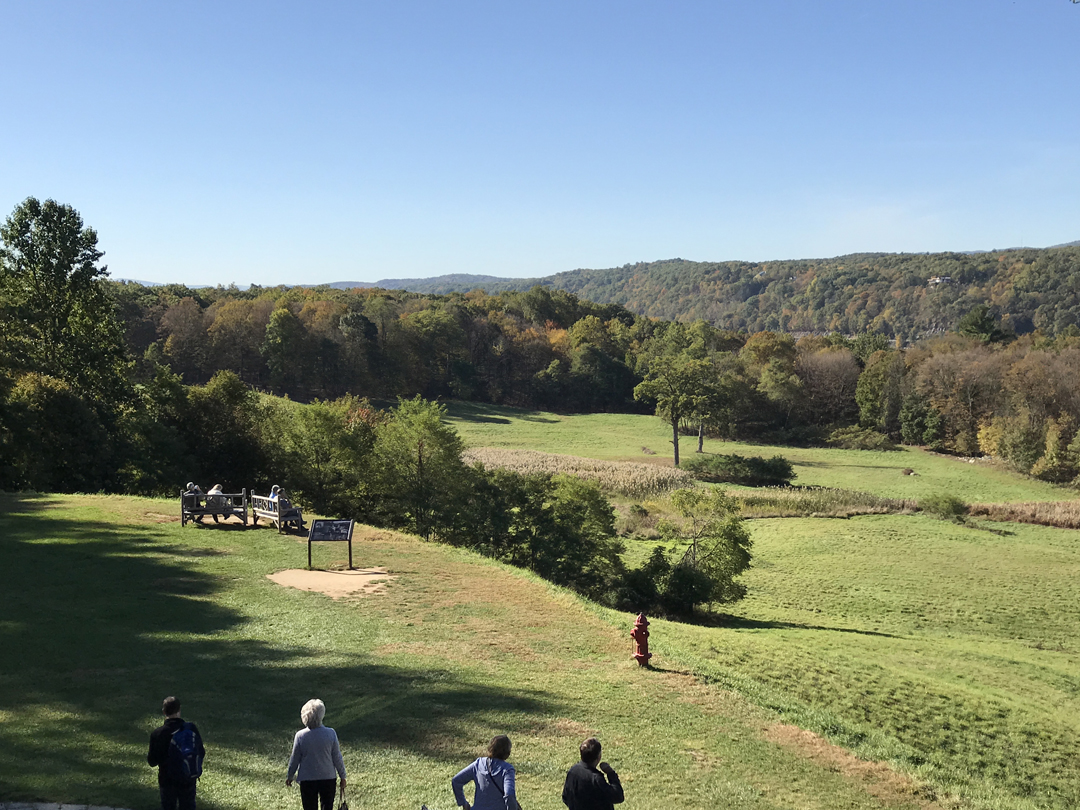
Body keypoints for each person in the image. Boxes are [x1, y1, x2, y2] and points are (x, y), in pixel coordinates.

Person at [286, 698, 347, 810]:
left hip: (307, 779)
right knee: (327, 806)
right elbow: (337, 757)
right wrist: (342, 776)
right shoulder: (330, 733)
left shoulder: (300, 736)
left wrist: (290, 776)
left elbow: (295, 758)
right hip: (328, 777)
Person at [147, 696, 205, 810]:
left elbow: (152, 761)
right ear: (179, 710)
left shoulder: (158, 734)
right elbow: (201, 752)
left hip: (167, 780)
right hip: (187, 778)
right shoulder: (190, 729)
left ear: (164, 712)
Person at [451, 735, 517, 810]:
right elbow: (509, 794)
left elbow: (456, 781)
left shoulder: (478, 764)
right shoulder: (507, 769)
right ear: (507, 752)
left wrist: (463, 803)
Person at [561, 738, 623, 810]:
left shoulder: (573, 771)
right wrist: (611, 773)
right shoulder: (596, 778)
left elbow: (565, 797)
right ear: (599, 757)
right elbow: (618, 796)